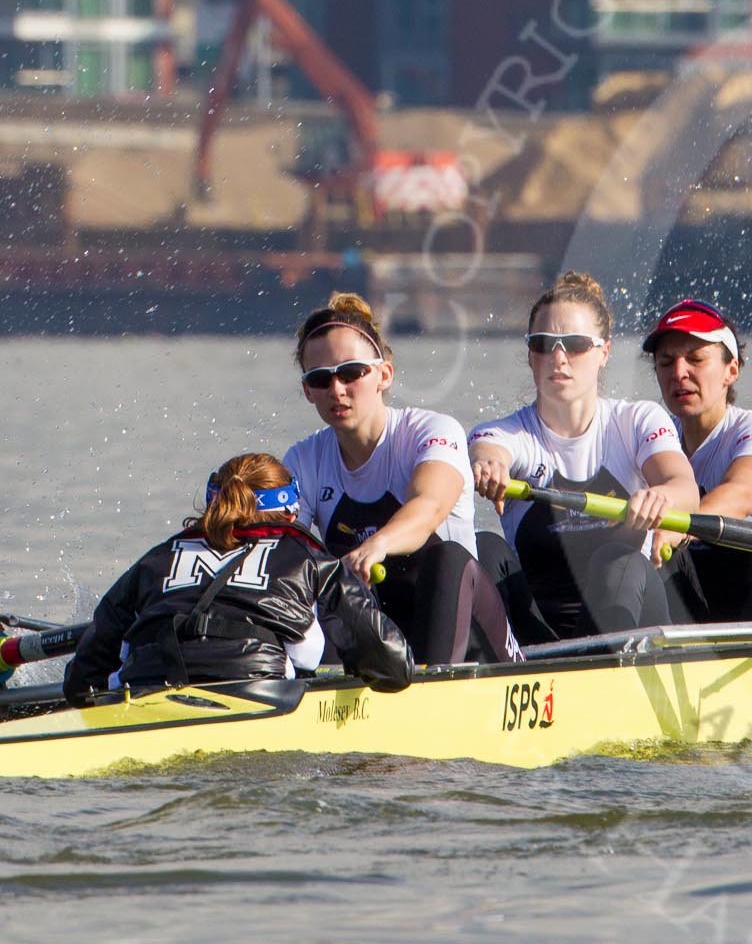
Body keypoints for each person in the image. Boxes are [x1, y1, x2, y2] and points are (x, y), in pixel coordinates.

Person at [63, 453, 413, 704]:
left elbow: (83, 678)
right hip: (260, 694)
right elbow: (391, 665)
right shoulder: (310, 557)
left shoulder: (156, 557)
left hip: (146, 690)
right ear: (293, 510)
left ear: (212, 504)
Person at [284, 292, 515, 665]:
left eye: (351, 373)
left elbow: (429, 505)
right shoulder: (304, 459)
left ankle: (432, 691)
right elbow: (280, 545)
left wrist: (381, 543)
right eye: (321, 379)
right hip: (383, 640)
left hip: (470, 638)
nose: (337, 390)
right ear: (307, 390)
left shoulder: (432, 431)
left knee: (447, 559)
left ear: (383, 375)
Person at [469, 272, 699, 641]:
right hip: (538, 635)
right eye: (544, 344)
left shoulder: (636, 420)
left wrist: (662, 497)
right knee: (483, 546)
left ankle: (606, 677)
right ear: (531, 356)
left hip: (633, 619)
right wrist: (489, 465)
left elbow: (685, 487)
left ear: (604, 352)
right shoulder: (511, 433)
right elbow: (488, 449)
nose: (558, 358)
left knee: (617, 561)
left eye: (575, 344)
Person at [644, 297, 752, 622]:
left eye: (695, 359)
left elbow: (741, 494)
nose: (679, 373)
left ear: (732, 370)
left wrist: (679, 527)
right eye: (666, 362)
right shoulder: (651, 437)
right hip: (693, 600)